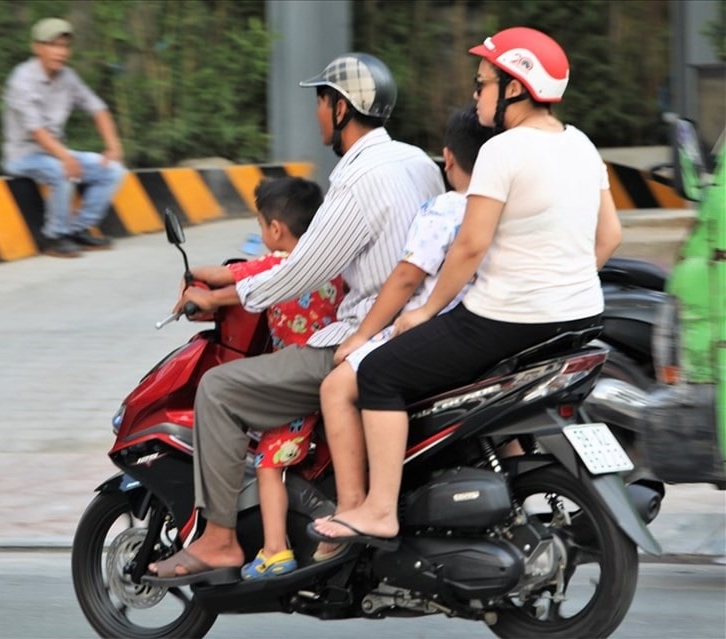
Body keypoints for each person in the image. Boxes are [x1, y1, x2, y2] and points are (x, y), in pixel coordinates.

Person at [310, 27, 623, 549]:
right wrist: (565, 282)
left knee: (381, 374)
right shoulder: (581, 144)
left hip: (506, 319)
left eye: (484, 84)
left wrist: (425, 310)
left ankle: (380, 510)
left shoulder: (504, 150)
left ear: (515, 88)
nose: (477, 93)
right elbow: (610, 236)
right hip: (580, 316)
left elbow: (470, 246)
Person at [145, 52, 445, 584]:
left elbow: (300, 270)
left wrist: (220, 299)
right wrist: (232, 277)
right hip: (420, 328)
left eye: (321, 102)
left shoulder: (357, 181)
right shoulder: (418, 162)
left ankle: (218, 541)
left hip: (359, 338)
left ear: (340, 108)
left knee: (217, 389)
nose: (317, 113)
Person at [313, 105, 493, 559]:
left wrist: (360, 335)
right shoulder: (498, 212)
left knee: (337, 389)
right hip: (483, 326)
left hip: (427, 328)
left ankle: (355, 507)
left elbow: (406, 277)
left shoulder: (446, 208)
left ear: (447, 159)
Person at [181, 176, 345, 580]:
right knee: (273, 458)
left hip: (296, 374)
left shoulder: (277, 264)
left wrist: (192, 282)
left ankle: (275, 550)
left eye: (260, 225)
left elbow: (227, 276)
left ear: (275, 229)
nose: (261, 232)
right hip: (328, 367)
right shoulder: (330, 261)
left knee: (268, 461)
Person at [2, 17, 126, 258]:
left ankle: (78, 230)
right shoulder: (22, 79)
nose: (60, 52)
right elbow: (36, 130)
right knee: (62, 171)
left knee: (113, 170)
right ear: (37, 47)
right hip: (23, 155)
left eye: (64, 46)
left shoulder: (68, 77)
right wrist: (65, 157)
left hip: (55, 152)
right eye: (53, 45)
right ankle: (55, 237)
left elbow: (98, 109)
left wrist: (113, 146)